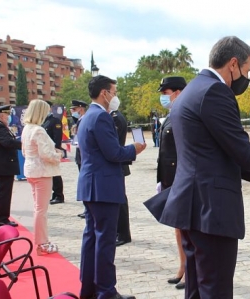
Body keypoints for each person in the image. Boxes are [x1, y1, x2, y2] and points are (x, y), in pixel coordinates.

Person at [151, 36, 250, 298]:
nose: (246, 78)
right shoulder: (215, 91)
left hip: (191, 204)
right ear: (233, 64)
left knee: (197, 285)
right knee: (215, 287)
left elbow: (214, 150)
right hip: (210, 208)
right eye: (247, 71)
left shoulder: (192, 89)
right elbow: (241, 150)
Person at [77, 75, 146, 299]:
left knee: (91, 240)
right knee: (104, 242)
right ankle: (106, 291)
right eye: (114, 92)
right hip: (104, 187)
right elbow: (114, 153)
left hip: (91, 186)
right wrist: (134, 149)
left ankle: (89, 288)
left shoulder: (87, 117)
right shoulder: (101, 117)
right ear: (104, 93)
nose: (115, 96)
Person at [156, 76, 187, 290]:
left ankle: (190, 272)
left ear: (177, 92)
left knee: (186, 229)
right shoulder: (172, 114)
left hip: (181, 179)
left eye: (165, 93)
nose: (163, 97)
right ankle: (183, 266)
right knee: (178, 228)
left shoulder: (184, 114)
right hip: (170, 179)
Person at [21, 100, 63, 254]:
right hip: (41, 172)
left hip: (31, 170)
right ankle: (42, 243)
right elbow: (46, 154)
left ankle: (41, 241)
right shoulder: (38, 130)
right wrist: (58, 155)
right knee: (41, 210)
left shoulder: (27, 128)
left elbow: (25, 151)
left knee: (38, 208)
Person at [110, 108, 132, 247]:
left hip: (117, 163)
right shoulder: (112, 116)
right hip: (116, 164)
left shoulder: (116, 117)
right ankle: (120, 232)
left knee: (120, 200)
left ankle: (123, 234)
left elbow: (115, 143)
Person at [0, 105, 21, 227]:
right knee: (4, 193)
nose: (8, 117)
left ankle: (1, 217)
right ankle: (2, 219)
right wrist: (23, 143)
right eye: (7, 115)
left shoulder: (1, 127)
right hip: (3, 166)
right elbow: (7, 142)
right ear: (2, 116)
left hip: (3, 165)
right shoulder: (0, 127)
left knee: (3, 193)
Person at [42, 101, 65, 205]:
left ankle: (59, 195)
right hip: (46, 151)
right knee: (50, 174)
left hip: (52, 151)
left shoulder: (54, 121)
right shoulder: (43, 121)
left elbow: (57, 138)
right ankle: (54, 194)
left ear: (50, 108)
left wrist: (56, 150)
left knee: (55, 174)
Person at [69, 99, 89, 219]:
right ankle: (86, 208)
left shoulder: (84, 119)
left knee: (86, 184)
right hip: (79, 154)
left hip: (83, 156)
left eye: (74, 109)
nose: (73, 112)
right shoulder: (79, 120)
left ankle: (88, 209)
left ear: (81, 108)